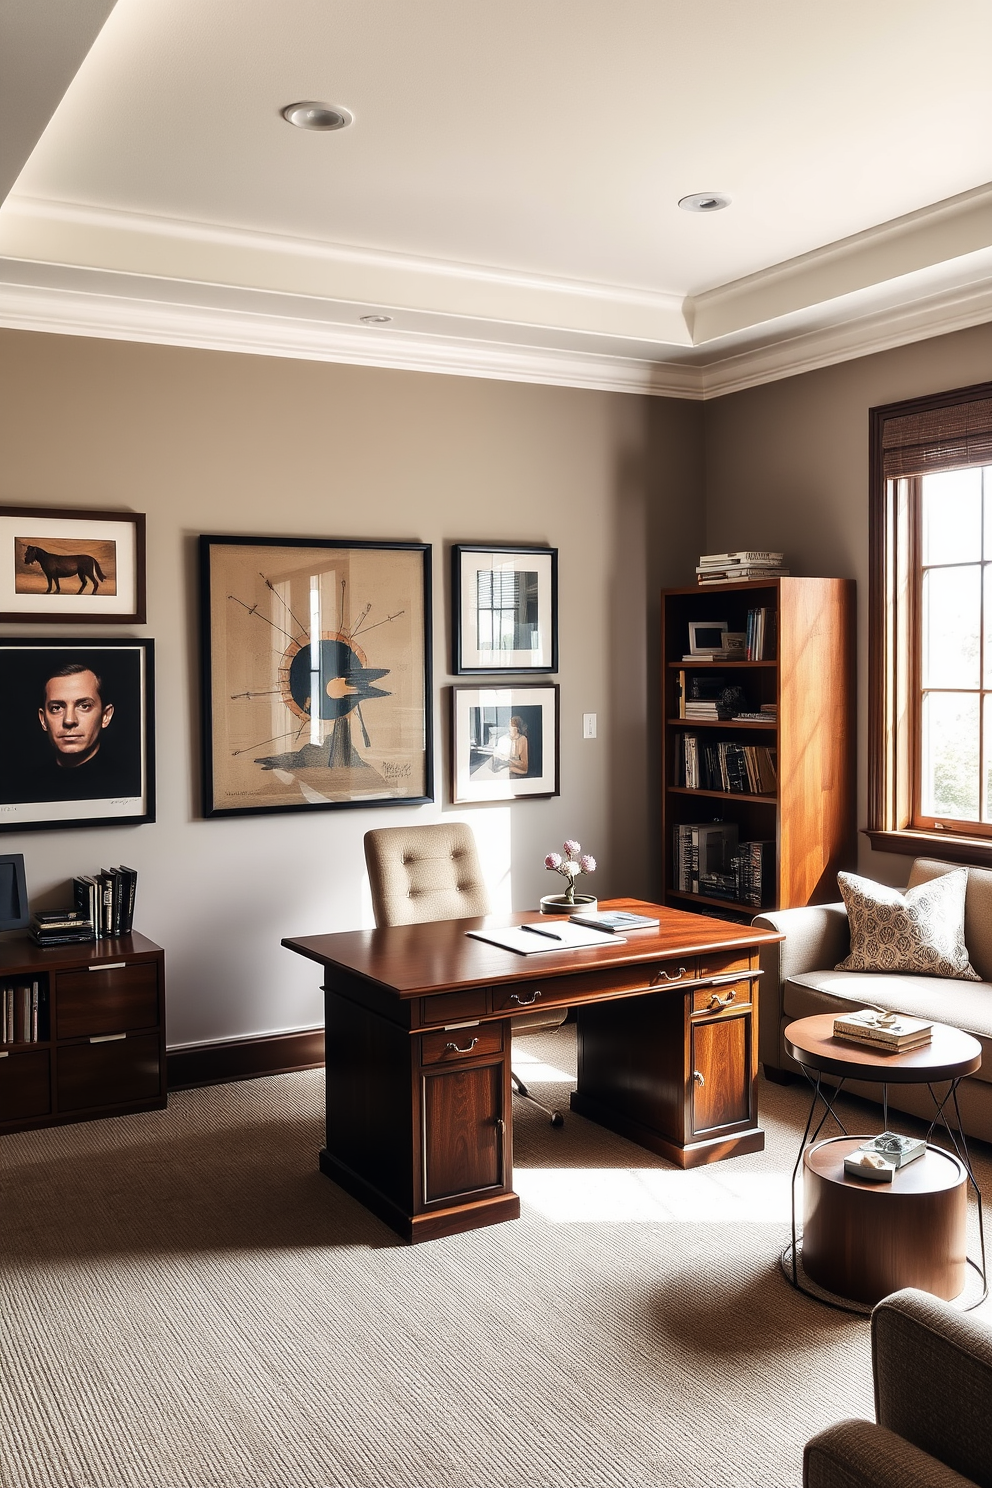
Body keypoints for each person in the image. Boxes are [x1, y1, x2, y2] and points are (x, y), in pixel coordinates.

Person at [38, 663, 114, 769]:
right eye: (56, 708)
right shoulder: (24, 784)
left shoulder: (136, 782)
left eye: (84, 706)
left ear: (105, 716)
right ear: (43, 720)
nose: (69, 720)